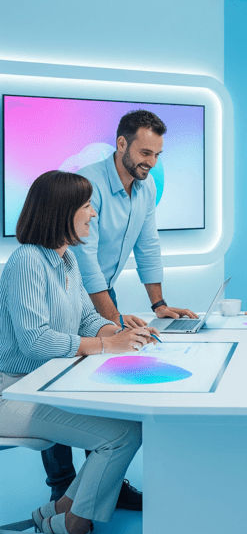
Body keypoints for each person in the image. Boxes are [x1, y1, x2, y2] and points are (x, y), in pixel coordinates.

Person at [0, 171, 155, 534]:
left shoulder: (64, 259)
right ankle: (69, 526)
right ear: (61, 211)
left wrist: (119, 331)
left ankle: (60, 513)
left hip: (42, 387)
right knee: (121, 435)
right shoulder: (27, 262)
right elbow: (35, 341)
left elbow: (87, 317)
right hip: (13, 394)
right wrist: (106, 346)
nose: (93, 213)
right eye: (86, 205)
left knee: (125, 428)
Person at [42, 109, 196, 508]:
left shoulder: (144, 189)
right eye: (145, 152)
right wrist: (113, 322)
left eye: (158, 155)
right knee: (57, 374)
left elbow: (148, 245)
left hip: (99, 289)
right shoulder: (88, 183)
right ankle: (62, 487)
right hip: (64, 283)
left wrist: (159, 304)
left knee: (98, 380)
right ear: (122, 143)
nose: (151, 162)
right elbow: (86, 258)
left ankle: (101, 483)